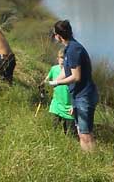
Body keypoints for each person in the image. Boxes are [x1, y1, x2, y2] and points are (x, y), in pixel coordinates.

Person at [47, 19, 98, 151]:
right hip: (77, 95)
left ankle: (92, 161)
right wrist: (55, 81)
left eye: (54, 34)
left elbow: (76, 76)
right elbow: (67, 69)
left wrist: (57, 82)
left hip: (84, 96)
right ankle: (88, 161)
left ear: (58, 36)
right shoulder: (69, 48)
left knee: (86, 134)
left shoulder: (73, 50)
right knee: (81, 132)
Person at [43, 50, 75, 136]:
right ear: (57, 59)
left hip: (68, 106)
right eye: (61, 58)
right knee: (53, 128)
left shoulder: (72, 73)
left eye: (65, 58)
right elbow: (46, 80)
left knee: (69, 133)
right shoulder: (54, 69)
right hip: (56, 104)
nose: (63, 60)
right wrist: (43, 85)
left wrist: (74, 105)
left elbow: (77, 90)